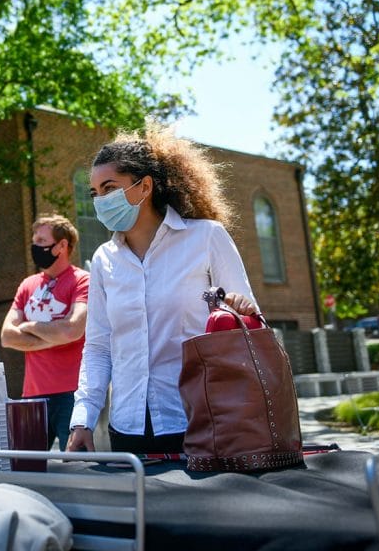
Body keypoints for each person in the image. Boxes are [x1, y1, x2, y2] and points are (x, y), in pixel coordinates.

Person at [67, 123, 259, 455]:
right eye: (95, 193)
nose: (100, 201)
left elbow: (250, 330)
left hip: (200, 421)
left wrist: (243, 312)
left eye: (109, 188)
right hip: (127, 429)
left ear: (144, 187)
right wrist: (82, 419)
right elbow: (98, 348)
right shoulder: (103, 260)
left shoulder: (207, 238)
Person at [1, 214, 89, 451]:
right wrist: (55, 334)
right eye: (34, 240)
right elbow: (7, 337)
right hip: (32, 396)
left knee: (78, 467)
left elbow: (73, 329)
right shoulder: (28, 285)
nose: (35, 246)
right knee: (28, 467)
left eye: (41, 240)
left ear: (62, 245)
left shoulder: (82, 281)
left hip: (72, 394)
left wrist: (29, 327)